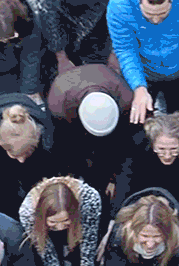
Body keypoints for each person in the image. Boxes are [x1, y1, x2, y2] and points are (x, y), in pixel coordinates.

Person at [46, 54, 135, 198]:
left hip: (102, 82)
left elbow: (125, 139)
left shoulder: (125, 97)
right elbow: (62, 140)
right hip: (70, 114)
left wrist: (115, 177)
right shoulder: (58, 102)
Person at [36, 0, 125, 86]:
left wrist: (114, 52)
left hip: (101, 13)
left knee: (99, 45)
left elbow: (118, 18)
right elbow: (50, 20)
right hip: (64, 14)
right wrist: (62, 58)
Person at [18, 176, 103, 266]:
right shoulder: (28, 211)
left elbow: (89, 236)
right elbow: (43, 246)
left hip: (78, 225)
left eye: (64, 221)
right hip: (44, 231)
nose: (60, 227)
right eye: (54, 223)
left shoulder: (89, 199)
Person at [113, 112, 179, 226]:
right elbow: (125, 181)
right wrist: (115, 218)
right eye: (161, 149)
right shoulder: (137, 144)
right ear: (153, 144)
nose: (167, 155)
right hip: (144, 193)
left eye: (173, 149)